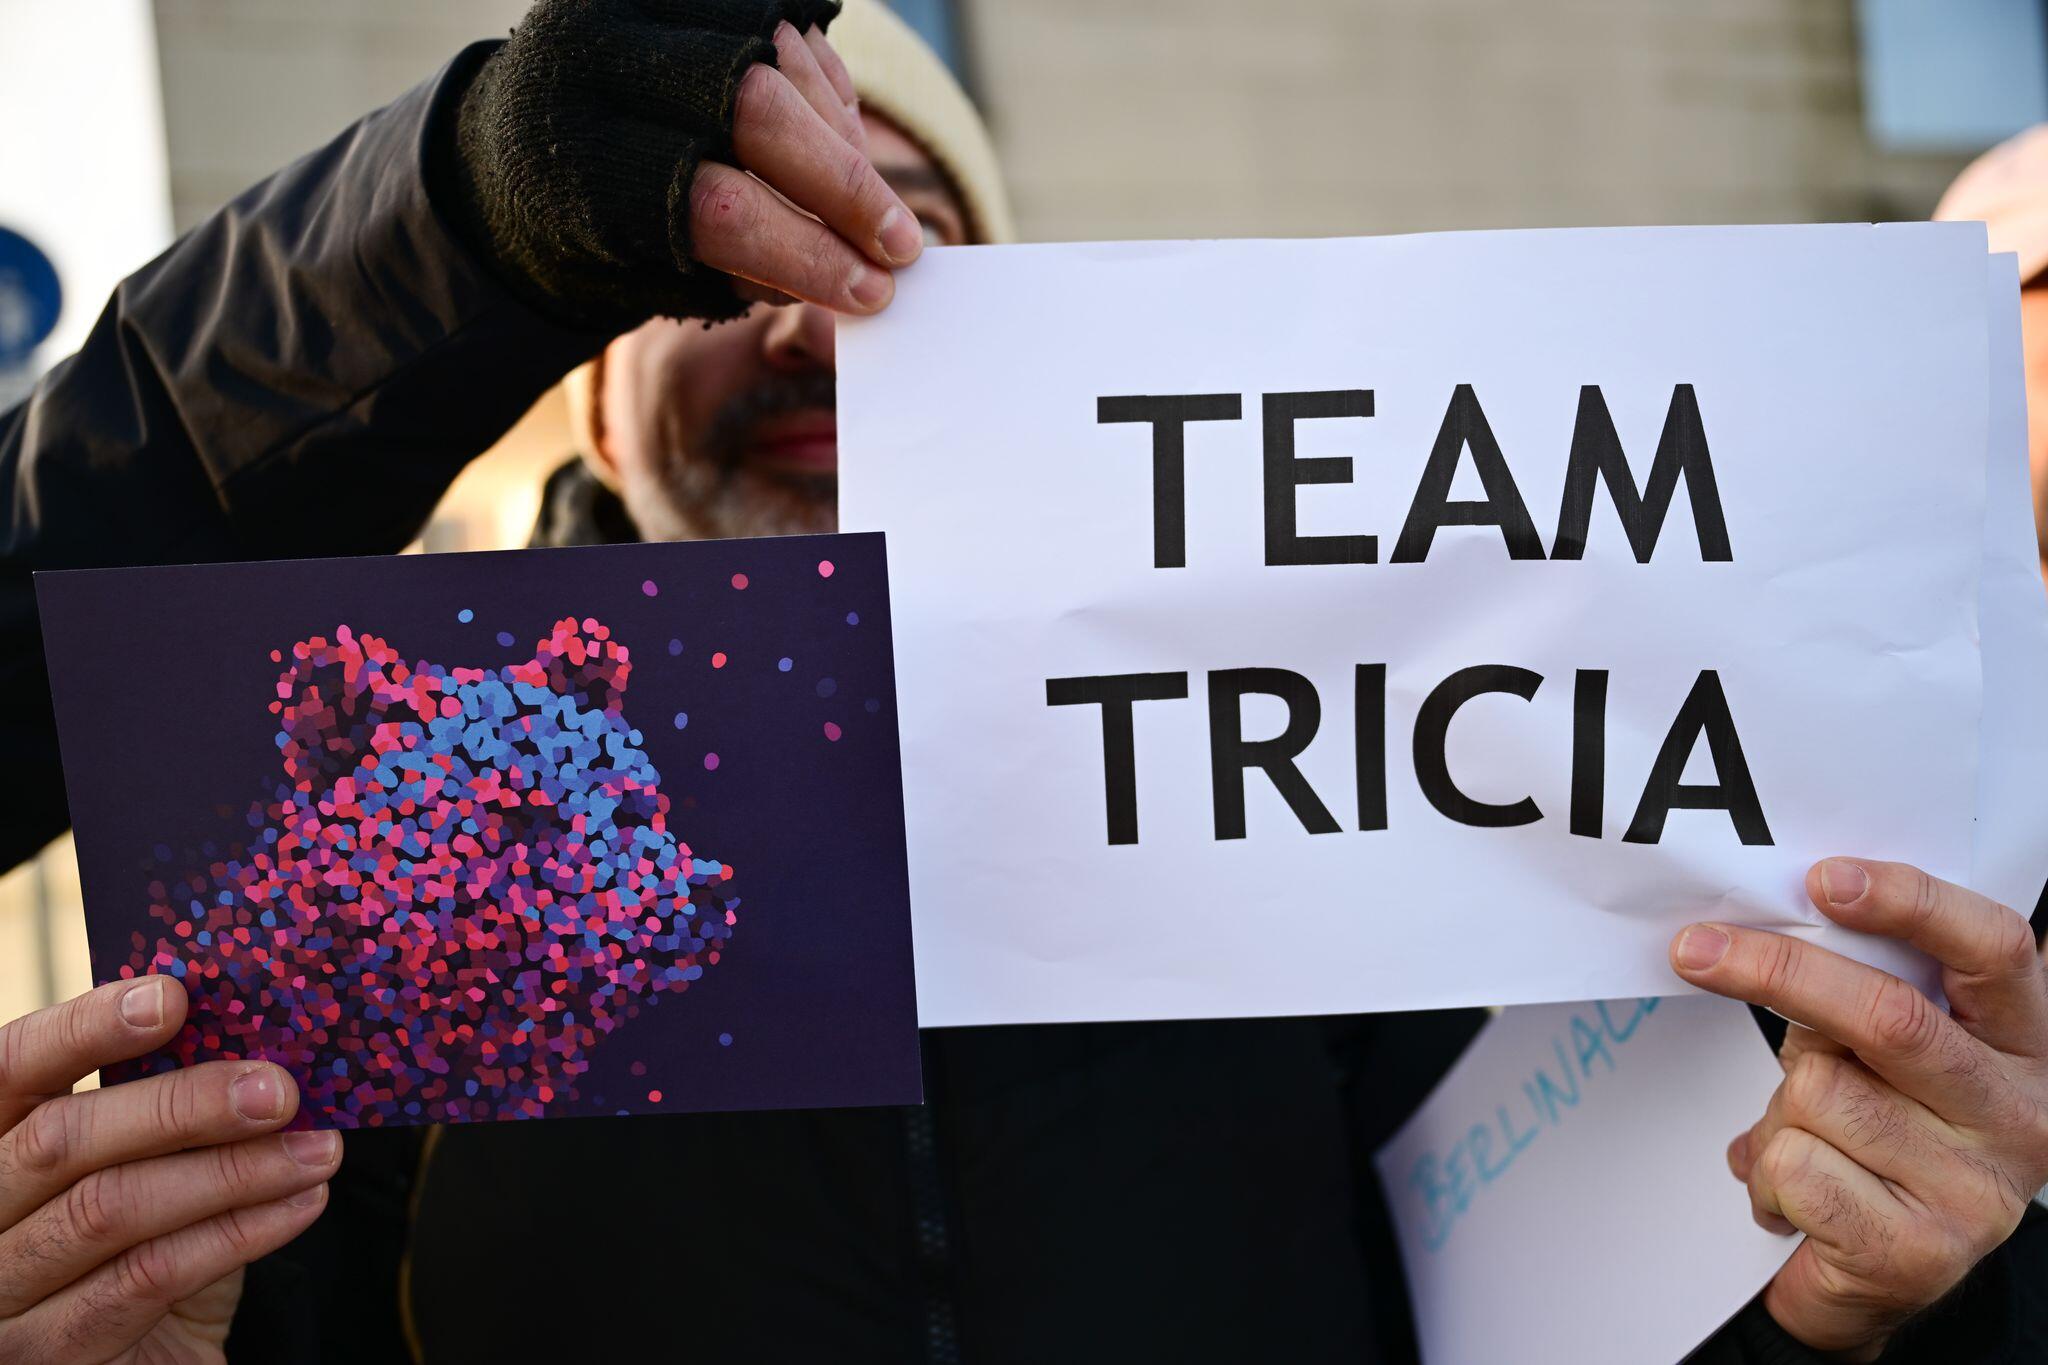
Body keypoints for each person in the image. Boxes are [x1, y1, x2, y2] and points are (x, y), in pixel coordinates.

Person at [0, 3, 2044, 1360]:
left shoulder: (1308, 764)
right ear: (589, 388)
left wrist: (1860, 1306)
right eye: (714, 264)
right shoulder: (385, 818)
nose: (809, 321)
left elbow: (1548, 1294)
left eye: (892, 247)